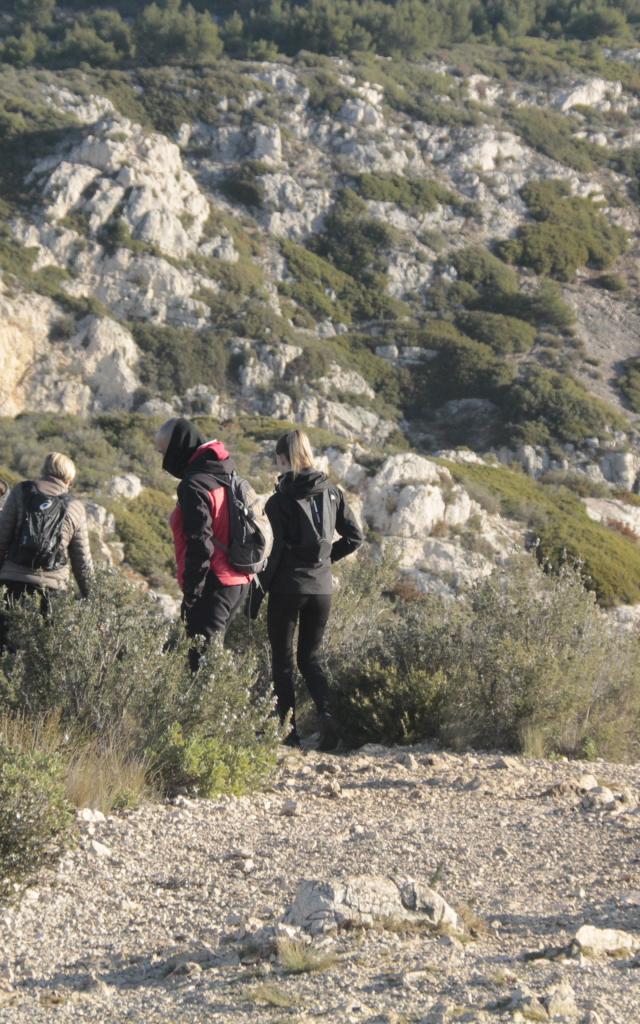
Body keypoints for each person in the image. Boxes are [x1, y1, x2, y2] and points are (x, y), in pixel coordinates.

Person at [254, 429, 364, 750]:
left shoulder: (279, 501)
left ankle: (289, 735)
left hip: (288, 589)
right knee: (310, 658)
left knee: (283, 661)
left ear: (285, 458)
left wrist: (258, 591)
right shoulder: (333, 492)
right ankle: (328, 717)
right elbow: (355, 537)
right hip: (321, 590)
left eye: (278, 460)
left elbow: (273, 556)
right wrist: (325, 561)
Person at [155, 418, 253, 668]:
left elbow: (200, 543)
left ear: (178, 447)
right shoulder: (224, 472)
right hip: (238, 580)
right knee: (210, 659)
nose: (164, 461)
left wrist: (192, 592)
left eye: (164, 453)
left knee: (201, 665)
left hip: (214, 582)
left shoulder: (195, 483)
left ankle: (216, 708)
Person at [0, 453, 93, 647]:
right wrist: (93, 597)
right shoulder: (75, 507)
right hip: (52, 591)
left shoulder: (21, 491)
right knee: (41, 656)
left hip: (12, 585)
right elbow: (82, 563)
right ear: (69, 480)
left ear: (44, 471)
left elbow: (2, 538)